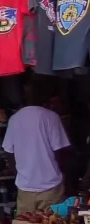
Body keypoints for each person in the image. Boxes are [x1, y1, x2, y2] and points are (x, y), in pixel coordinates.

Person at [4, 80, 71, 214]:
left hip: (25, 187)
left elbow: (8, 152)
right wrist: (63, 174)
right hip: (50, 186)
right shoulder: (51, 117)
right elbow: (60, 152)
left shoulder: (15, 118)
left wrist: (20, 174)